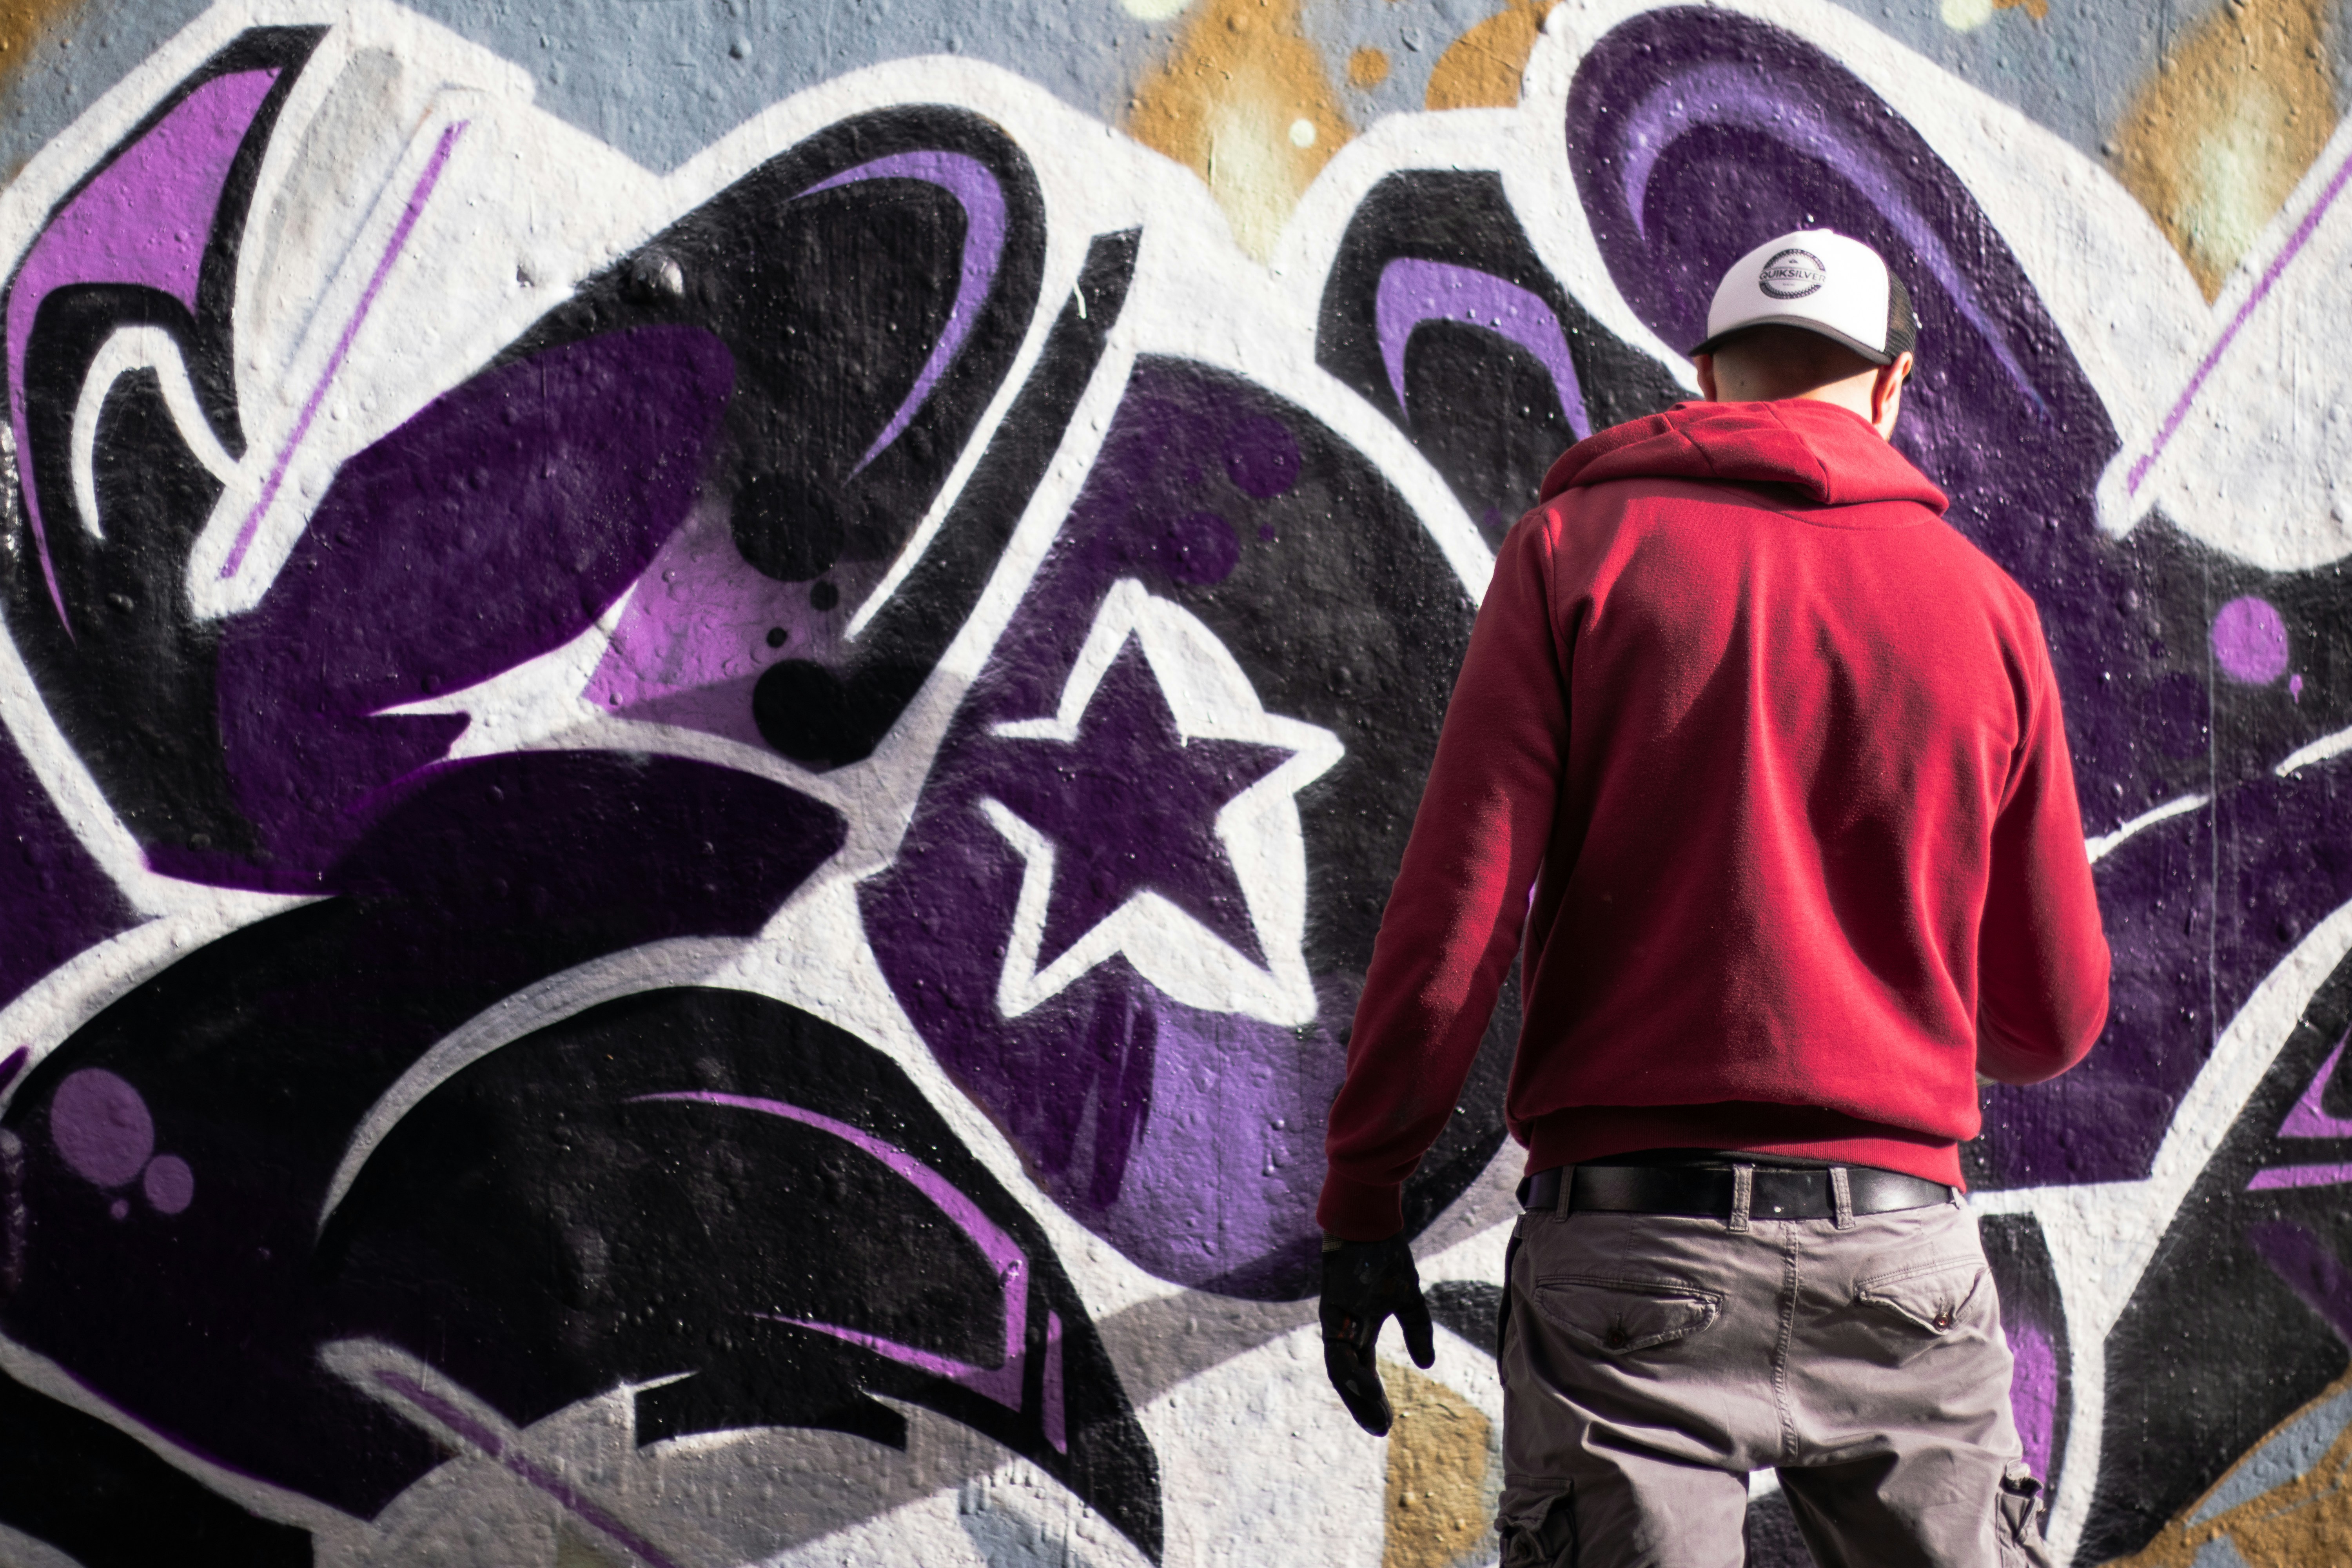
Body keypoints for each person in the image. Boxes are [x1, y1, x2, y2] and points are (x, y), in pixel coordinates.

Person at [1314, 229, 2108, 1568]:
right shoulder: (1987, 611)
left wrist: (1365, 1195)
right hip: (1900, 1255)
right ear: (1893, 385)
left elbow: (1456, 915)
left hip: (1628, 1259)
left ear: (1707, 379)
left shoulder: (1576, 553)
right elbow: (2056, 1018)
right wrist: (1869, 1006)